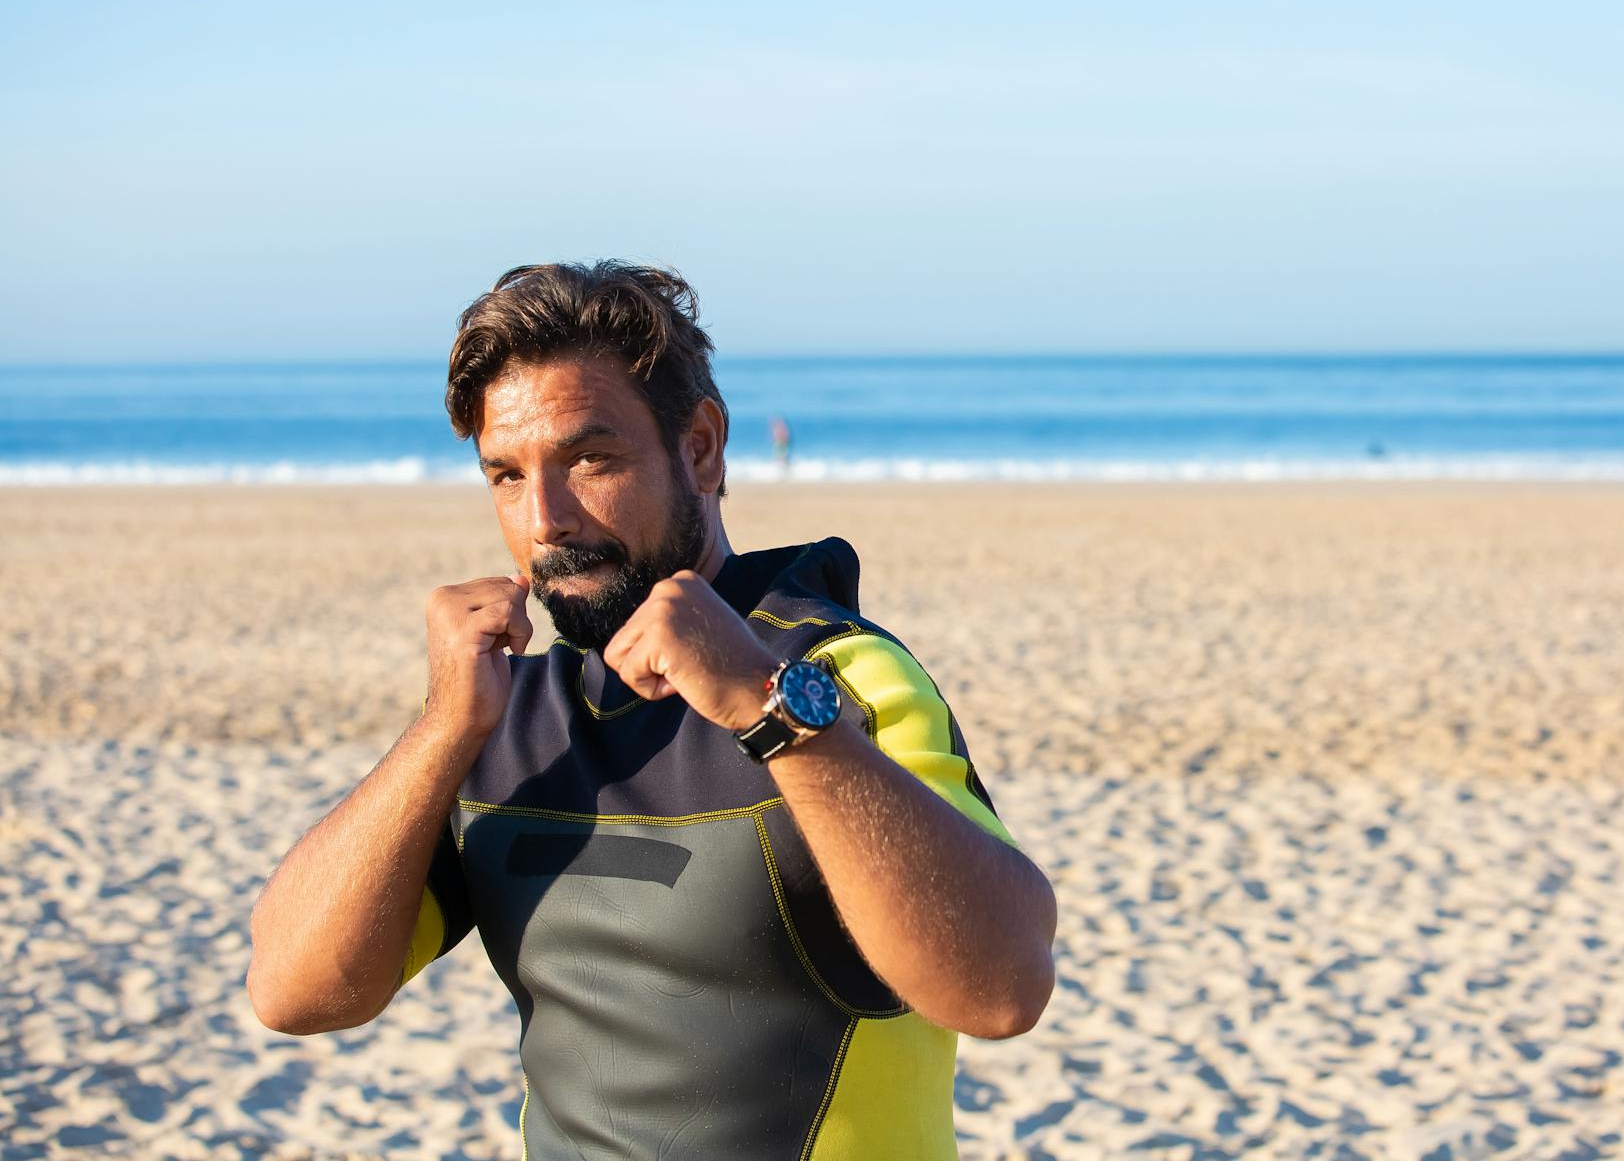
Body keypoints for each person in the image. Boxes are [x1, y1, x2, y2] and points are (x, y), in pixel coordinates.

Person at [246, 261, 1057, 1159]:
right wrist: (443, 727)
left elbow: (1001, 989)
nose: (545, 518)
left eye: (590, 458)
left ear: (701, 447)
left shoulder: (836, 676)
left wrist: (764, 708)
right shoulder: (510, 719)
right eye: (507, 476)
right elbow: (295, 992)